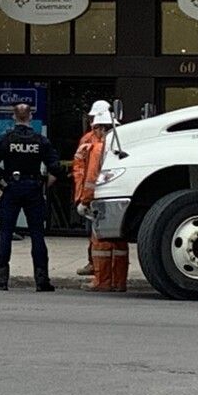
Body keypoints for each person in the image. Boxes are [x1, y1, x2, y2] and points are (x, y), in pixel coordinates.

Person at [0, 103, 63, 292]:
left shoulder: (5, 139)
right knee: (37, 235)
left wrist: (0, 183)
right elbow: (55, 169)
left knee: (5, 234)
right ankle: (42, 280)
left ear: (13, 117)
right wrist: (42, 185)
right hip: (34, 189)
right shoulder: (40, 141)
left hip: (11, 188)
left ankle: (1, 280)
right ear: (30, 117)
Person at [77, 110, 128, 292]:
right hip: (121, 199)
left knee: (101, 244)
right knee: (120, 245)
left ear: (99, 128)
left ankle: (103, 282)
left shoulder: (98, 148)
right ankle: (119, 282)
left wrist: (84, 201)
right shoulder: (123, 146)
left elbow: (91, 178)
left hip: (102, 199)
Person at [73, 100, 111, 277]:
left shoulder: (113, 138)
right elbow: (80, 170)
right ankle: (94, 264)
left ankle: (104, 270)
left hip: (106, 190)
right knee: (93, 232)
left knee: (103, 233)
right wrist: (82, 197)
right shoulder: (88, 141)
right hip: (93, 192)